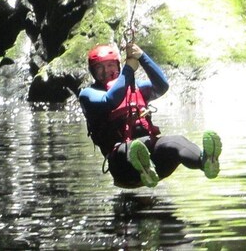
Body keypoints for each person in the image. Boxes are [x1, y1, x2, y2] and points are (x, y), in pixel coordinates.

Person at [77, 42, 221, 188]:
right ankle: (145, 169)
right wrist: (128, 69)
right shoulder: (88, 94)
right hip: (123, 168)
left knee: (175, 142)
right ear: (93, 72)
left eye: (110, 65)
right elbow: (110, 101)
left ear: (117, 66)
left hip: (153, 158)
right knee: (132, 148)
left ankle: (205, 162)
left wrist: (141, 56)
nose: (105, 71)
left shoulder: (136, 87)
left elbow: (162, 86)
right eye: (99, 67)